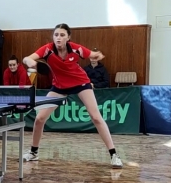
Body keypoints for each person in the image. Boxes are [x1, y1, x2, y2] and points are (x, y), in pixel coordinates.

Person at [22, 23, 123, 169]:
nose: (58, 38)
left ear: (68, 37)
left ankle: (114, 154)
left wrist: (97, 55)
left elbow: (91, 54)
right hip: (59, 86)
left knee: (96, 117)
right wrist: (30, 61)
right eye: (56, 35)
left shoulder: (76, 49)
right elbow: (26, 58)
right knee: (39, 118)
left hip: (80, 83)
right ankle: (34, 152)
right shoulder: (47, 50)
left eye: (62, 35)